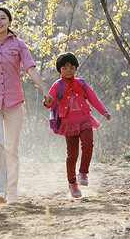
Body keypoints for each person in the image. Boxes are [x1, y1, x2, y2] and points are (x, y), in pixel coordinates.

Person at [0, 7, 53, 204]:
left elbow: (30, 67)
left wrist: (44, 89)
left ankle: (12, 192)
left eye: (3, 18)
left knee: (11, 148)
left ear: (9, 22)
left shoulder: (19, 44)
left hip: (14, 101)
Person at [44, 52, 111, 198]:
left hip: (85, 119)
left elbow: (93, 98)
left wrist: (104, 112)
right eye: (65, 68)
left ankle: (83, 173)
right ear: (59, 69)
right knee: (72, 154)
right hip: (68, 122)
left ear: (76, 68)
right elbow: (50, 101)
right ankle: (72, 183)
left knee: (88, 145)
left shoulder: (81, 83)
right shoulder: (57, 86)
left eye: (71, 67)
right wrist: (47, 102)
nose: (68, 70)